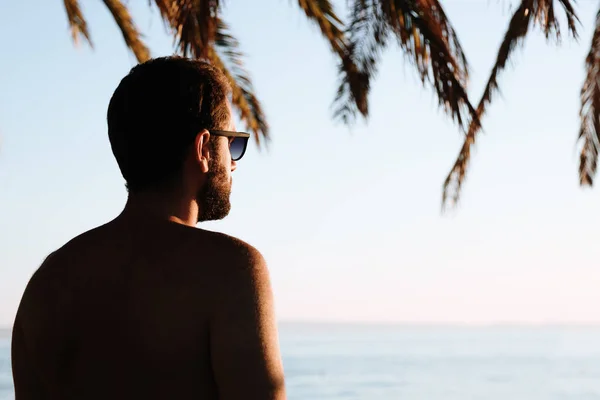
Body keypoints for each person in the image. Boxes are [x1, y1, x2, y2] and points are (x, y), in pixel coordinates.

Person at [11, 56, 286, 400]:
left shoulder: (46, 283)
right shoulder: (228, 270)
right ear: (203, 148)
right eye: (231, 142)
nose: (233, 162)